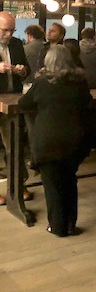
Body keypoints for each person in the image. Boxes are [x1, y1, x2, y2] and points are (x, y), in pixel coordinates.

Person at [18, 45, 92, 236]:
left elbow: (23, 103)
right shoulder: (79, 81)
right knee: (69, 181)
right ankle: (70, 225)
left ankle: (57, 226)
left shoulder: (42, 82)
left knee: (52, 185)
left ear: (48, 61)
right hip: (74, 140)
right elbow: (87, 101)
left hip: (48, 140)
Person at [0, 11, 31, 206]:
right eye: (5, 30)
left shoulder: (17, 44)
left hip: (13, 101)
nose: (9, 34)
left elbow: (27, 69)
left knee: (14, 144)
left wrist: (22, 70)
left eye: (12, 30)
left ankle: (18, 185)